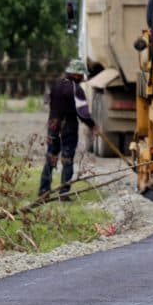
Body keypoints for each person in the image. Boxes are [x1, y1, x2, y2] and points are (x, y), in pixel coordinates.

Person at [38, 58, 100, 201]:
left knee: (50, 158)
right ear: (77, 75)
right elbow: (82, 112)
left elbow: (47, 99)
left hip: (53, 127)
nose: (83, 78)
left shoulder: (56, 84)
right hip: (69, 129)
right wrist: (92, 125)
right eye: (82, 75)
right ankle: (63, 194)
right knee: (67, 160)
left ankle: (43, 192)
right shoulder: (76, 89)